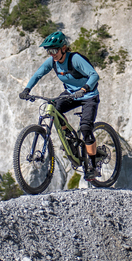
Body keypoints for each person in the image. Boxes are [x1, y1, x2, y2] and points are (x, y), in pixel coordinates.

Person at [19, 32, 101, 179]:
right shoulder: (52, 62)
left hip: (88, 95)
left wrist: (84, 89)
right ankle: (69, 136)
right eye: (49, 51)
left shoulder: (75, 59)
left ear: (63, 48)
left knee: (86, 128)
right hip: (71, 94)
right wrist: (27, 89)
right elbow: (38, 74)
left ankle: (93, 167)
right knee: (53, 108)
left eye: (54, 50)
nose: (52, 54)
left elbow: (94, 75)